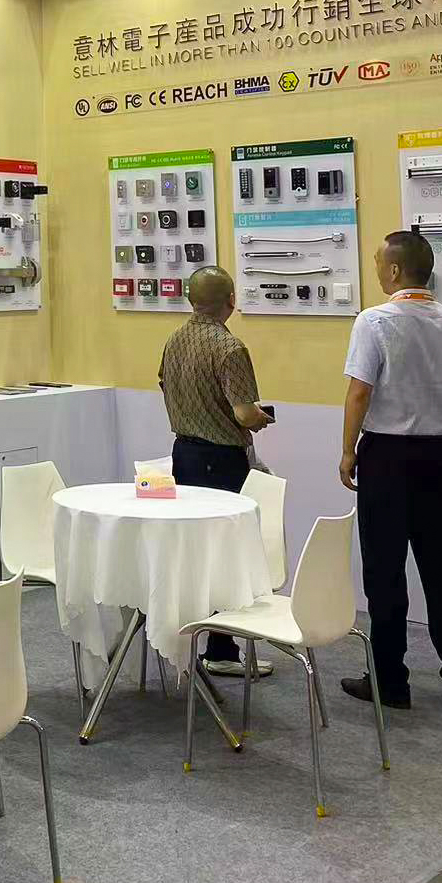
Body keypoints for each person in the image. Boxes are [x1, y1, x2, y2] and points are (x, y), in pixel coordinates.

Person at [339, 230, 442, 710]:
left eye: (380, 260)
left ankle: (390, 682)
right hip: (437, 457)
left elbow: (359, 391)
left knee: (385, 571)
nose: (377, 267)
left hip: (386, 456)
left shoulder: (374, 321)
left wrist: (347, 450)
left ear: (395, 270)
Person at [159, 265, 273, 678]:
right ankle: (222, 648)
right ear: (231, 300)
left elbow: (164, 385)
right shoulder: (230, 347)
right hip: (222, 461)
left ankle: (186, 638)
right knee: (225, 554)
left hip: (183, 455)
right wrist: (260, 418)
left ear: (191, 300)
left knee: (193, 552)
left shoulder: (174, 341)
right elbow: (243, 413)